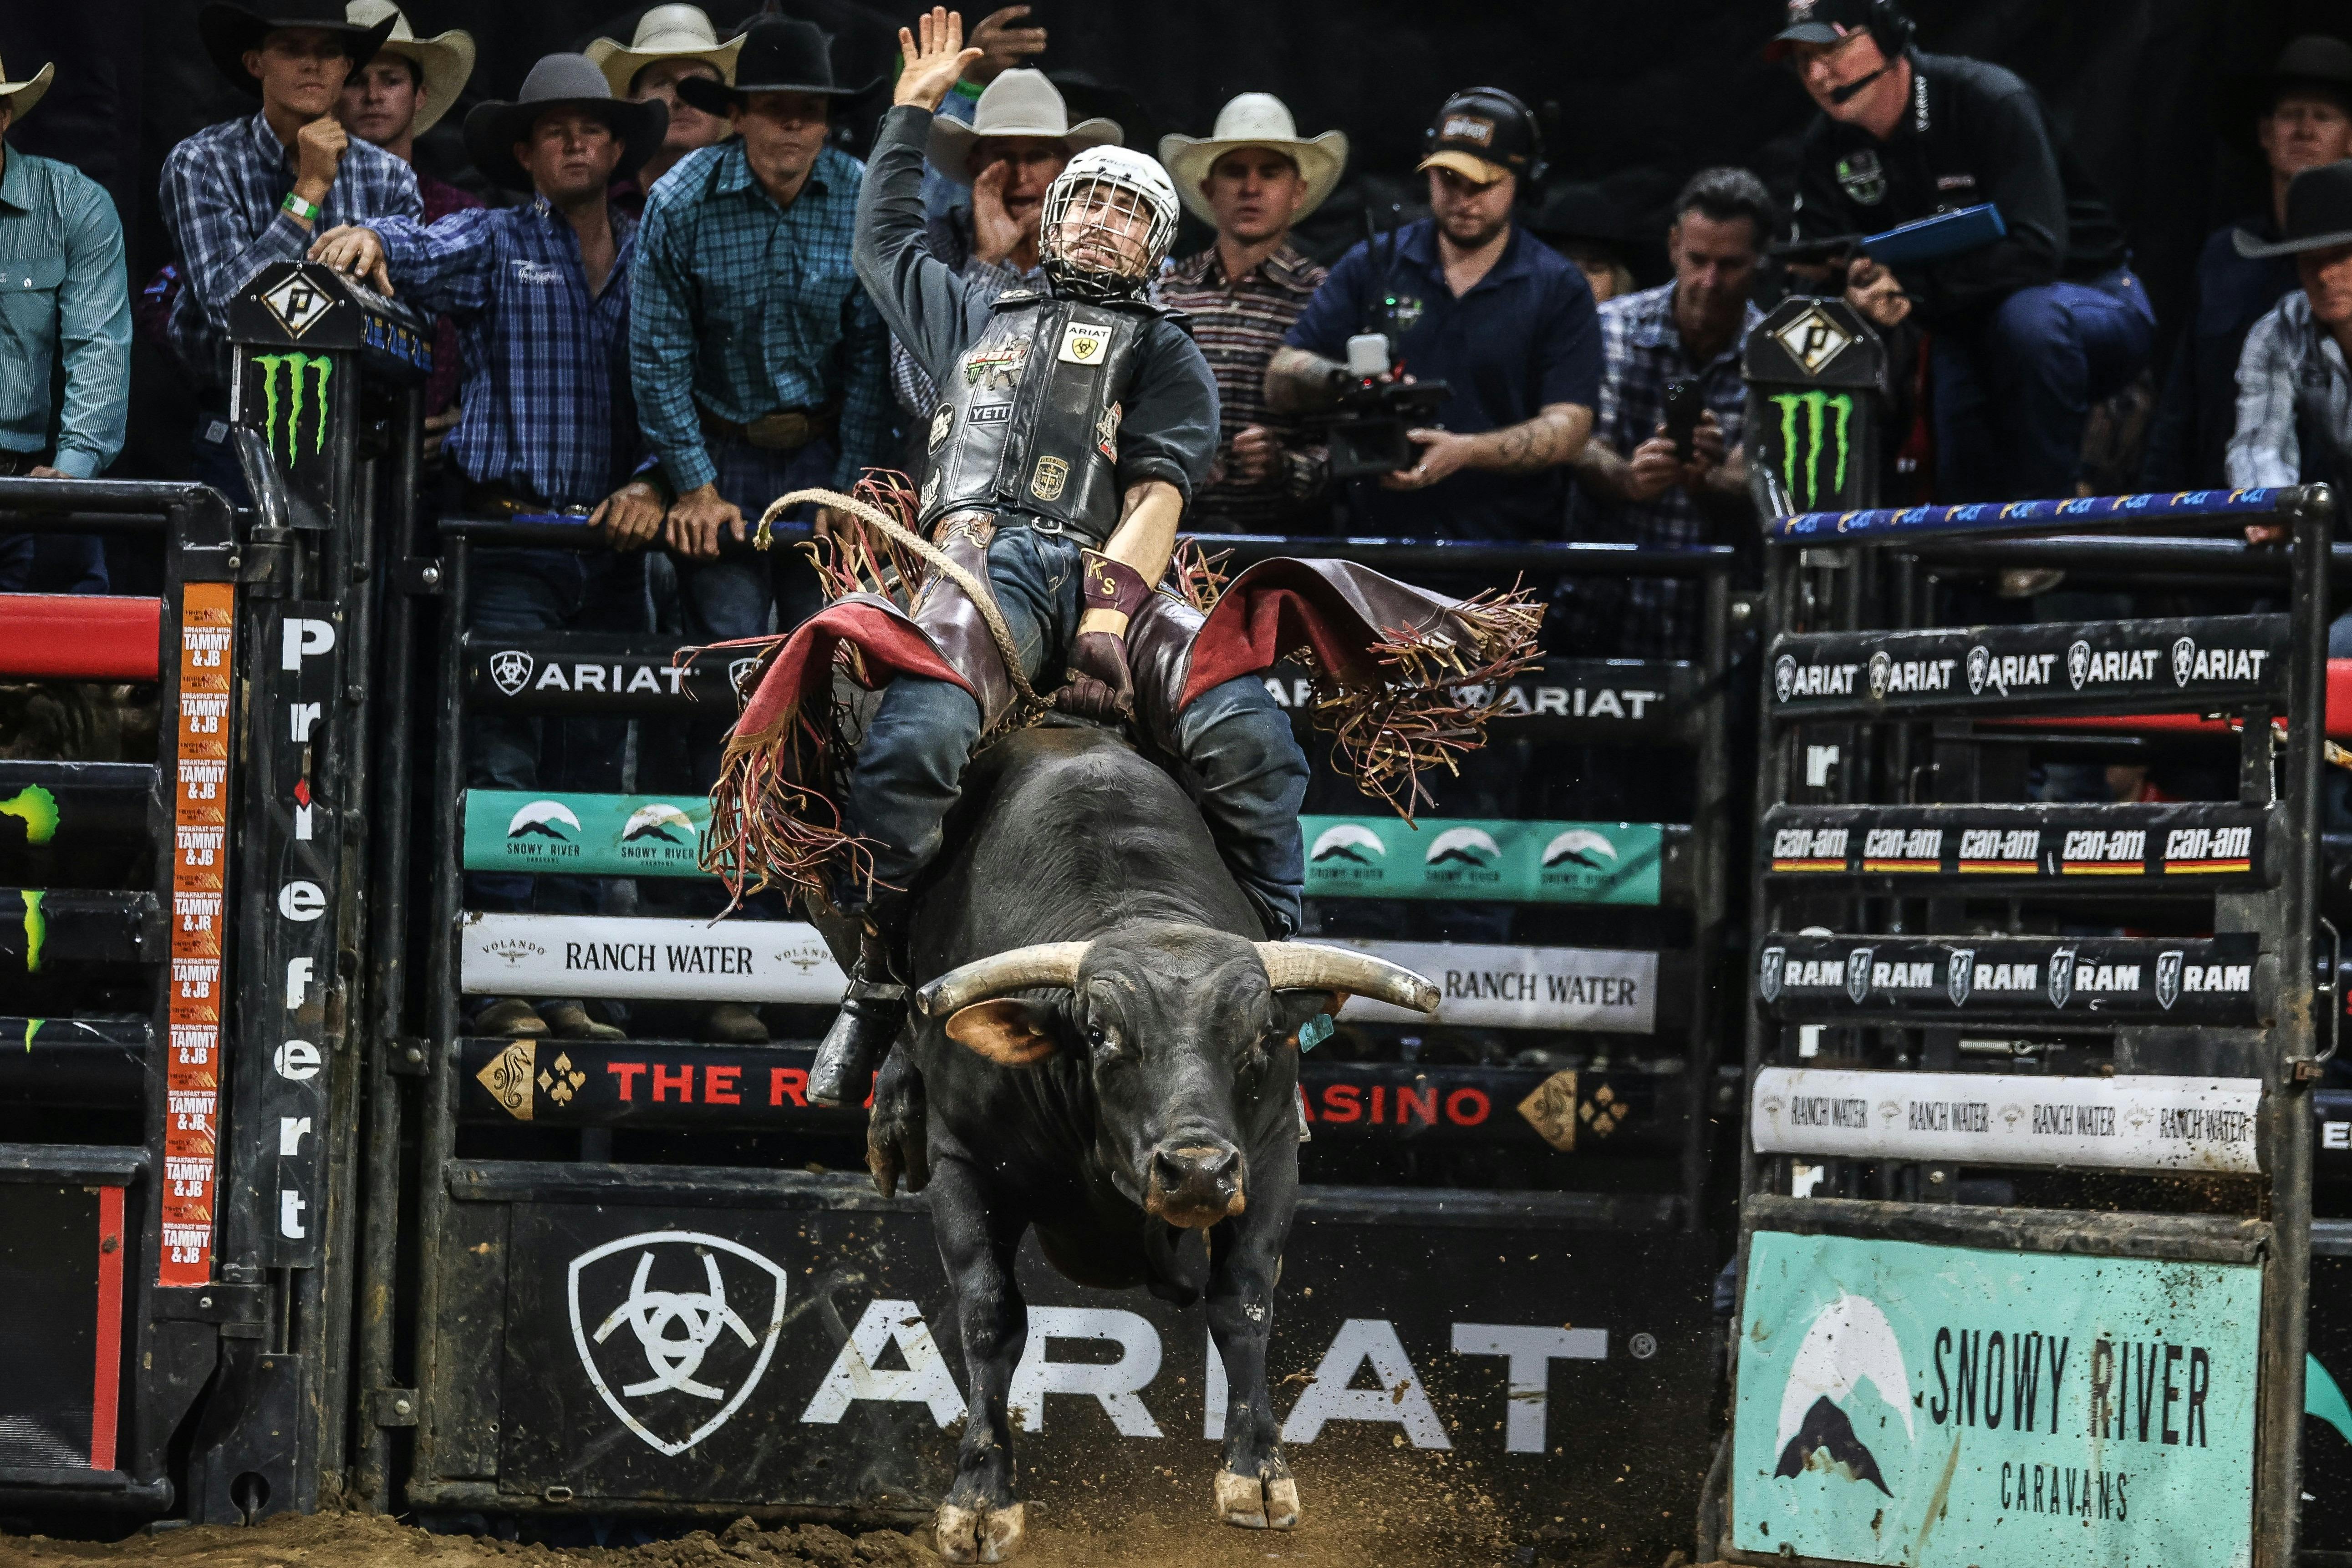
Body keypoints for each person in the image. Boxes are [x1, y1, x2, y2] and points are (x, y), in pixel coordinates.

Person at [806, 7, 1311, 1104]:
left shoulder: (1168, 351)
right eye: (1087, 201)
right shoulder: (970, 311)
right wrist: (909, 110)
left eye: (1128, 212)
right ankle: (880, 987)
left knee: (1252, 730)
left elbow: (1161, 493)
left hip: (1104, 567)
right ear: (1053, 219)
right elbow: (881, 242)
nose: (1099, 222)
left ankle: (1276, 972)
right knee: (911, 746)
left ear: (1156, 246)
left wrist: (1107, 617)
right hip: (973, 567)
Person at [311, 54, 671, 1041]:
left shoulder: (655, 252)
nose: (571, 143)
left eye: (588, 129)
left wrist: (655, 481)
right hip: (508, 534)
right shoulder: (499, 237)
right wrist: (359, 235)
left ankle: (574, 982)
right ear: (525, 151)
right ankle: (503, 981)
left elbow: (684, 386)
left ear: (615, 149)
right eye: (551, 130)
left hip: (617, 544)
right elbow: (415, 247)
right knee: (506, 770)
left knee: (596, 773)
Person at [1772, 0, 2153, 503]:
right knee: (1962, 488)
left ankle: (2046, 529)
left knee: (2028, 322)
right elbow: (1808, 271)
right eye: (1802, 62)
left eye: (1831, 48)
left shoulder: (1987, 100)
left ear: (1887, 34)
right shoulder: (1826, 147)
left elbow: (2037, 250)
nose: (1819, 75)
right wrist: (1853, 300)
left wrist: (1912, 287)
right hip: (1959, 324)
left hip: (2089, 297)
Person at [631, 17, 889, 643]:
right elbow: (656, 356)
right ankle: (718, 745)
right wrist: (694, 486)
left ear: (829, 123)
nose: (794, 125)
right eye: (776, 110)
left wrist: (851, 485)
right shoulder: (678, 202)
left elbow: (870, 358)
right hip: (721, 450)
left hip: (824, 448)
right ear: (740, 116)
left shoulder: (861, 200)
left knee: (823, 648)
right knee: (728, 648)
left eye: (809, 111)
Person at [1267, 86, 1599, 540]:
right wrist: (1346, 381)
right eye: (1448, 179)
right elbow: (1282, 374)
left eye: (1482, 184)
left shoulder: (1558, 287)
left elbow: (1570, 426)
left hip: (1509, 555)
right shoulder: (1374, 264)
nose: (1463, 199)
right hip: (1378, 547)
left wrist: (1466, 452)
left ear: (1523, 182)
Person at [161, 0, 419, 500]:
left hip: (359, 434)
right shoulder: (202, 162)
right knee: (240, 577)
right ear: (255, 63)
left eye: (329, 51)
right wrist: (309, 189)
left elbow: (410, 322)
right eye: (291, 48)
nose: (312, 64)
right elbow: (229, 305)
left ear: (347, 68)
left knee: (359, 578)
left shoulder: (389, 178)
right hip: (238, 426)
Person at [1569, 168, 1770, 659]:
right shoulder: (1609, 328)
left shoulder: (1773, 358)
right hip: (1604, 600)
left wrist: (1712, 479)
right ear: (1674, 245)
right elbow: (1578, 441)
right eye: (1698, 260)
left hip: (1720, 615)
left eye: (1731, 265)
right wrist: (1625, 476)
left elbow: (1766, 484)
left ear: (1761, 260)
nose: (1710, 282)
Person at [2145, 36, 2352, 490]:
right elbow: (2186, 400)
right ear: (2265, 132)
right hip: (2237, 509)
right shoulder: (2227, 259)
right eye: (2290, 115)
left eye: (2323, 116)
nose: (2304, 130)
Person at [889, 66, 1117, 433]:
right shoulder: (931, 246)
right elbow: (919, 395)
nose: (1021, 176)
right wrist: (985, 262)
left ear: (1067, 167)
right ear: (974, 163)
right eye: (1003, 156)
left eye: (1038, 156)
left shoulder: (1099, 252)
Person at [1157, 93, 1346, 532]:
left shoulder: (1324, 296)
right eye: (1235, 172)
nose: (1251, 188)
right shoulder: (1167, 291)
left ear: (1297, 191)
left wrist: (1287, 465)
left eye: (1270, 172)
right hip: (1172, 538)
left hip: (1286, 546)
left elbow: (1351, 439)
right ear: (1209, 189)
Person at [0, 50, 131, 594]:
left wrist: (68, 477)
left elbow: (100, 346)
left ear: (3, 116)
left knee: (66, 661)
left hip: (28, 484)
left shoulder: (73, 203)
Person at [334, 0, 477, 456]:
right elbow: (170, 298)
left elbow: (503, 331)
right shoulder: (306, 194)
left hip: (434, 460)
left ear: (419, 96)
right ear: (333, 94)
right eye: (356, 81)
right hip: (318, 441)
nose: (373, 95)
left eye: (391, 80)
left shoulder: (460, 211)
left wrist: (469, 414)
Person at [586, 4, 745, 216]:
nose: (680, 100)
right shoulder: (595, 205)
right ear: (632, 100)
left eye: (697, 85)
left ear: (723, 105)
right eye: (662, 83)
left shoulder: (752, 202)